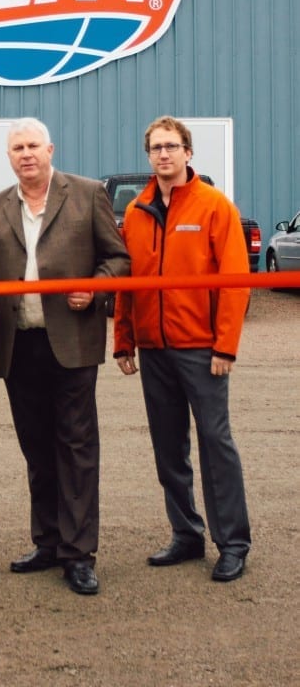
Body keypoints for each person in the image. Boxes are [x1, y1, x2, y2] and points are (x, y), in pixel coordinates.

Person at [0, 118, 130, 595]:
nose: (26, 154)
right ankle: (49, 541)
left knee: (75, 447)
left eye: (33, 145)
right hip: (19, 343)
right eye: (17, 148)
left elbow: (118, 258)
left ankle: (79, 555)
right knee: (36, 448)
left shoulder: (87, 193)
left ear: (50, 149)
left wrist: (94, 290)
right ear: (9, 156)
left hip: (72, 342)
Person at [114, 116, 251, 582]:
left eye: (172, 146)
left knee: (216, 444)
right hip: (154, 349)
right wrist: (124, 339)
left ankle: (232, 543)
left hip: (201, 348)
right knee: (168, 447)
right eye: (155, 148)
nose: (164, 155)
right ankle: (186, 533)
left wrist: (225, 346)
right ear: (148, 155)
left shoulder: (214, 207)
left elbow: (236, 283)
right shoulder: (135, 212)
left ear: (188, 152)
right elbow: (128, 283)